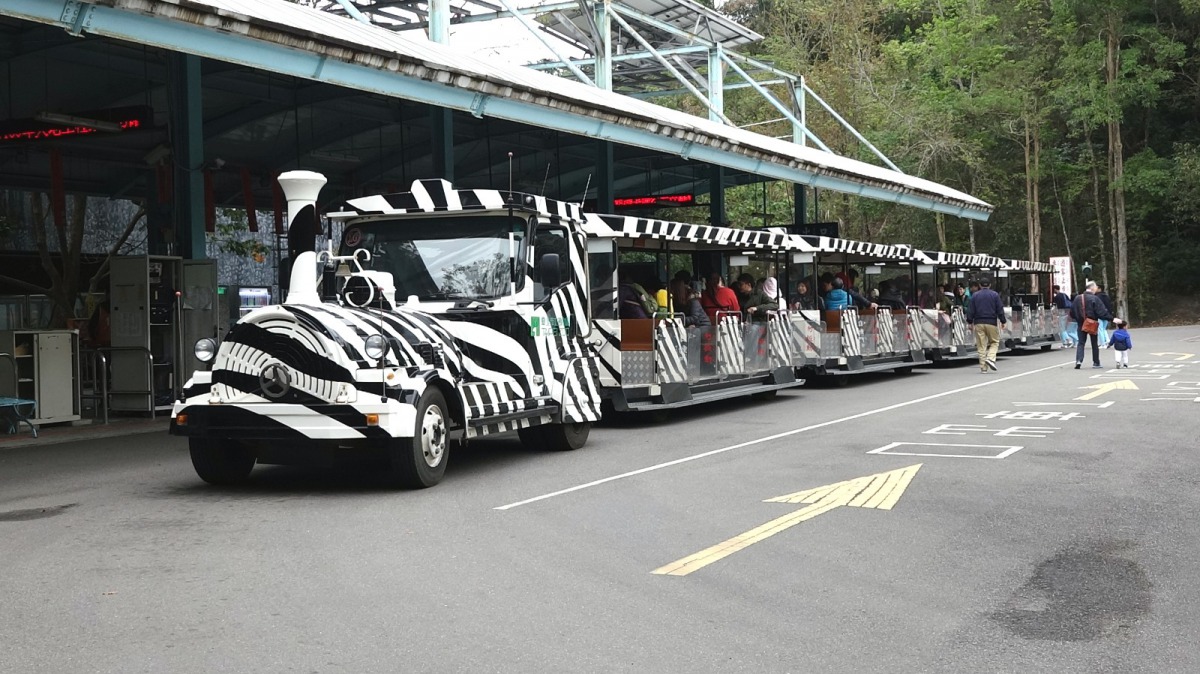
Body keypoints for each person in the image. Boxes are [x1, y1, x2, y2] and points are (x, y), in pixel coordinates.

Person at [966, 278, 1007, 372]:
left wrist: (969, 322)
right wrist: (1003, 321)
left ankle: (983, 367)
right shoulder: (995, 295)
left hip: (978, 323)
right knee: (994, 342)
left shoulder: (975, 295)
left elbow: (970, 310)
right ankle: (991, 358)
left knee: (981, 345)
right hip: (991, 322)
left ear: (980, 286)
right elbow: (1000, 309)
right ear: (990, 285)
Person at [1071, 282, 1112, 369]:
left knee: (1081, 343)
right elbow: (1101, 312)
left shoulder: (1078, 298)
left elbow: (1072, 312)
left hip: (1081, 323)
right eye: (1096, 287)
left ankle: (1079, 361)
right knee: (1094, 343)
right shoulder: (1095, 298)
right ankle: (1096, 362)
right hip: (1092, 323)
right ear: (1092, 288)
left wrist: (1079, 319)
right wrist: (1111, 318)